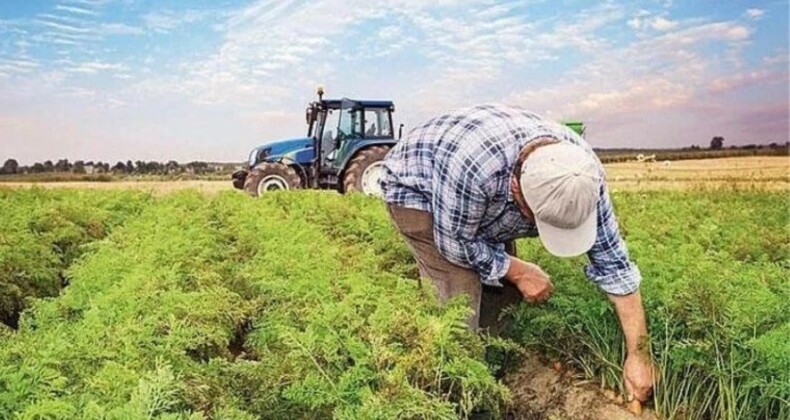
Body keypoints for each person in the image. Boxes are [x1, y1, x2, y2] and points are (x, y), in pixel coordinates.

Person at [379, 104, 654, 403]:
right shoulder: (475, 169)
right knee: (458, 303)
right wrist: (519, 270)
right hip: (419, 192)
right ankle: (454, 394)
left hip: (478, 196)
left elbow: (616, 267)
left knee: (503, 292)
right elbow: (455, 244)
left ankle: (498, 371)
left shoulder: (583, 175)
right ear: (517, 191)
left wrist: (639, 355)